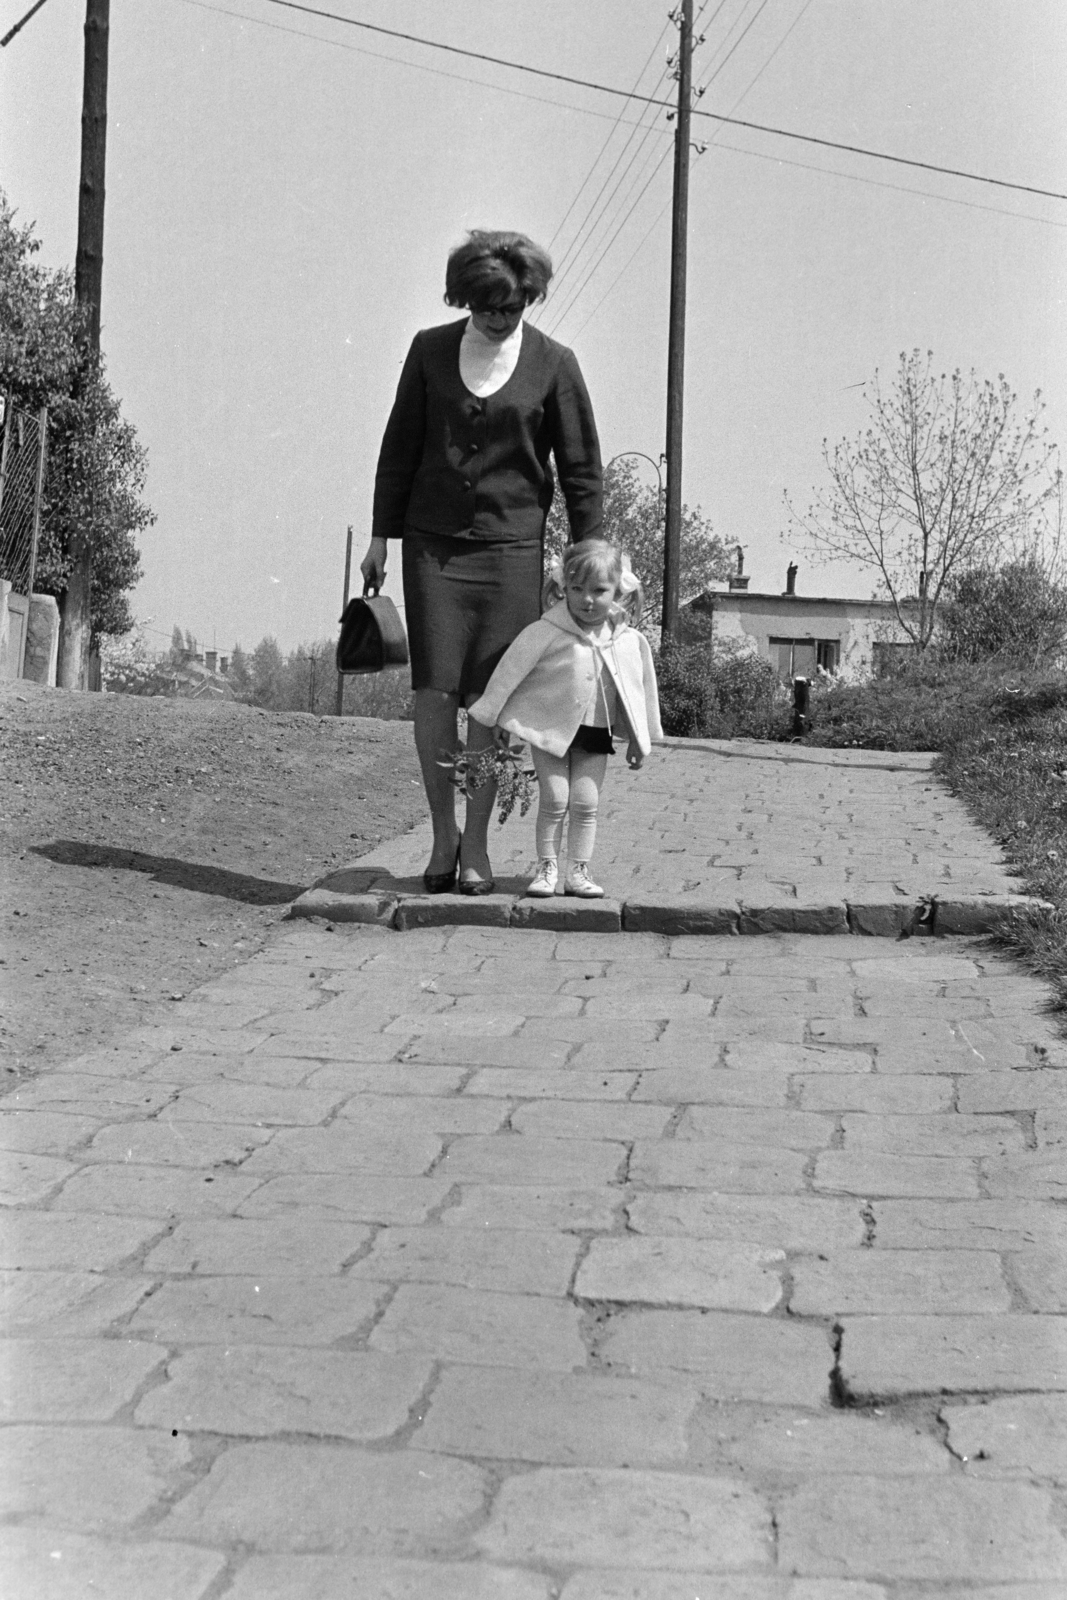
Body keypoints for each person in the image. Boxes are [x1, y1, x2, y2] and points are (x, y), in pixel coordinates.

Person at [360, 230, 603, 895]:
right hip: (433, 545)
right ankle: (441, 835)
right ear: (465, 298)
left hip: (511, 552)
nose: (500, 320)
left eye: (513, 308)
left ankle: (477, 844)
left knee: (492, 700)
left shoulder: (554, 363)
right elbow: (399, 447)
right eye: (488, 307)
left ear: (529, 299)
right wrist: (381, 537)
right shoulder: (428, 351)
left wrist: (592, 555)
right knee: (434, 692)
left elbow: (581, 472)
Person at [467, 539, 662, 899]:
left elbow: (635, 691)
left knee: (586, 801)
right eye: (577, 589)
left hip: (595, 732)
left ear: (618, 588)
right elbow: (511, 672)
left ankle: (578, 871)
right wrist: (495, 716)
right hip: (548, 731)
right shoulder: (545, 631)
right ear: (563, 588)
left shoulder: (626, 640)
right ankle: (546, 867)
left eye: (599, 590)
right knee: (555, 798)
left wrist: (638, 737)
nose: (587, 600)